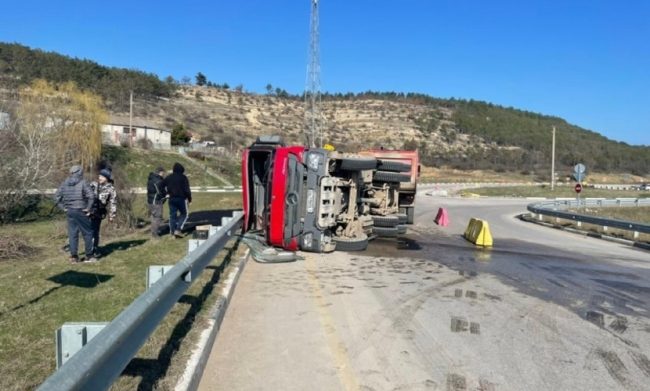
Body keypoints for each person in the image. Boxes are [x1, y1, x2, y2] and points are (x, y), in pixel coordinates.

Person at [54, 164, 97, 263]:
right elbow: (91, 196)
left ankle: (74, 257)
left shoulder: (64, 183)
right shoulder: (83, 182)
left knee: (73, 234)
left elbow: (56, 198)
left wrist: (63, 208)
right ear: (80, 172)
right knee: (88, 233)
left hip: (70, 211)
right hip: (81, 210)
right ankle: (89, 256)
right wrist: (89, 208)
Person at [89, 168, 117, 255]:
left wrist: (112, 215)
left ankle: (94, 249)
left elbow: (113, 203)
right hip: (88, 211)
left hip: (98, 212)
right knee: (88, 231)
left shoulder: (111, 189)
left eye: (102, 176)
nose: (99, 177)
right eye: (99, 175)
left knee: (95, 231)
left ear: (107, 178)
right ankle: (89, 250)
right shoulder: (93, 184)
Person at [163, 162, 191, 238]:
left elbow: (161, 185)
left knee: (172, 216)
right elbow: (187, 189)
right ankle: (178, 230)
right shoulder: (183, 177)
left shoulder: (169, 177)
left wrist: (166, 194)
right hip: (181, 199)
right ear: (182, 170)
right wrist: (189, 199)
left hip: (171, 199)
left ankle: (172, 232)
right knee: (184, 214)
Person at [147, 166, 167, 238]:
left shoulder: (151, 178)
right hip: (156, 201)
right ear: (160, 172)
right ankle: (155, 234)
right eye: (163, 173)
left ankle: (154, 231)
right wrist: (165, 196)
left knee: (153, 217)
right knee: (157, 217)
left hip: (150, 201)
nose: (164, 175)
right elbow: (160, 191)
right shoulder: (157, 180)